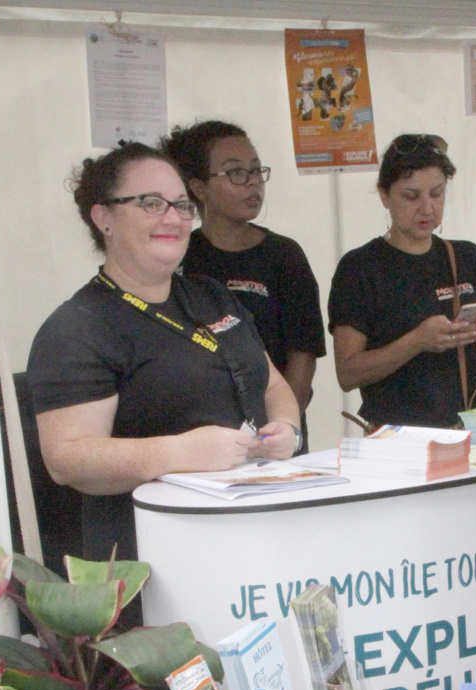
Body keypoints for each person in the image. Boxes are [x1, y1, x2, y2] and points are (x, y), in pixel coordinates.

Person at [27, 142, 301, 568]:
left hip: (252, 540)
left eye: (181, 205)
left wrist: (287, 427)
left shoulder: (212, 295)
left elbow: (274, 386)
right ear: (104, 218)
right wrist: (179, 453)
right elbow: (67, 459)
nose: (173, 218)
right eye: (151, 204)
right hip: (149, 559)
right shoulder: (78, 327)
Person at [160, 121, 325, 452]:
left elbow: (302, 358)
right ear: (199, 188)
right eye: (235, 173)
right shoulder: (177, 256)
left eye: (256, 171)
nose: (252, 182)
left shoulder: (284, 256)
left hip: (273, 438)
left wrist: (278, 429)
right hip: (199, 439)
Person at [328, 134, 476, 429]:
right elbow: (347, 374)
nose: (427, 208)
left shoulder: (468, 257)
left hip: (469, 434)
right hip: (399, 442)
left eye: (437, 194)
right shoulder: (359, 268)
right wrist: (416, 342)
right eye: (411, 196)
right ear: (384, 196)